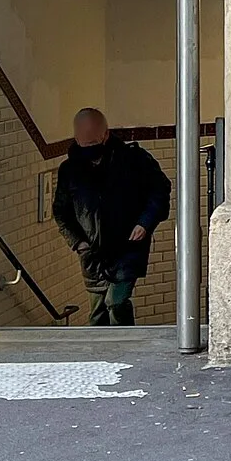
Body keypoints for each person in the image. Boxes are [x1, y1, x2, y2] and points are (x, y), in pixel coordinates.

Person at [50, 108, 172, 326]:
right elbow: (61, 212)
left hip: (128, 246)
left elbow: (159, 191)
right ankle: (100, 356)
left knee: (116, 301)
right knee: (97, 312)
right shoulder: (69, 170)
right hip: (92, 251)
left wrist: (144, 223)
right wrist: (79, 243)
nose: (89, 150)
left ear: (106, 135)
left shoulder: (133, 160)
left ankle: (124, 347)